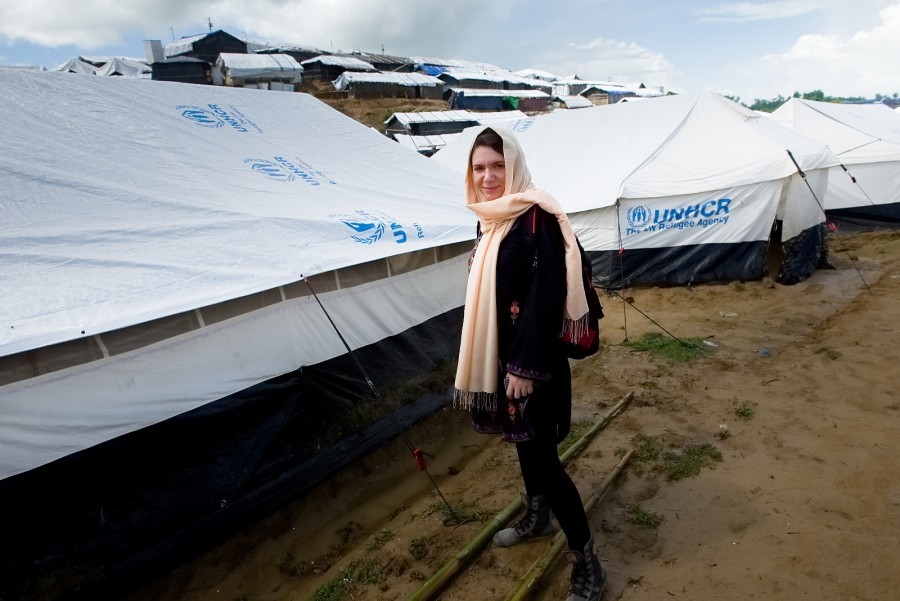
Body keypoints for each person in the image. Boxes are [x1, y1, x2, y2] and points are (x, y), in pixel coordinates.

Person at [453, 127, 605, 601]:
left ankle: (587, 561)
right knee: (522, 447)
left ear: (513, 166)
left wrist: (522, 367)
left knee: (545, 461)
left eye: (498, 166)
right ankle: (537, 516)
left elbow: (547, 294)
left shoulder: (534, 215)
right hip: (504, 360)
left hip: (532, 364)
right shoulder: (489, 220)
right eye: (480, 167)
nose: (489, 176)